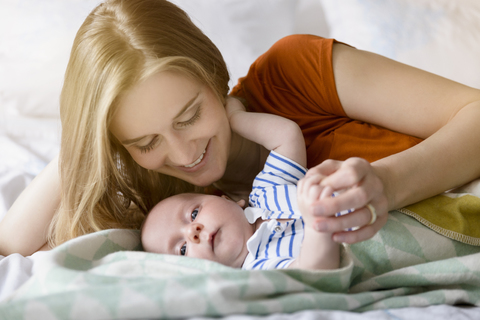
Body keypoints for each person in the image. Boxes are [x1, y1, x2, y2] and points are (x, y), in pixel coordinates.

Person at [1, 0, 480, 256]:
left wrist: (387, 184)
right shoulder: (161, 208)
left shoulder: (294, 72)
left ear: (214, 75)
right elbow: (11, 249)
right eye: (146, 140)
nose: (184, 152)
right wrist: (86, 143)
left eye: (189, 116)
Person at [141, 100, 345, 270]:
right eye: (183, 249)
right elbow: (316, 273)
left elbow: (287, 137)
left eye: (194, 214)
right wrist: (319, 222)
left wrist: (236, 119)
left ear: (227, 199)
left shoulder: (265, 191)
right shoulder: (258, 268)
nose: (192, 232)